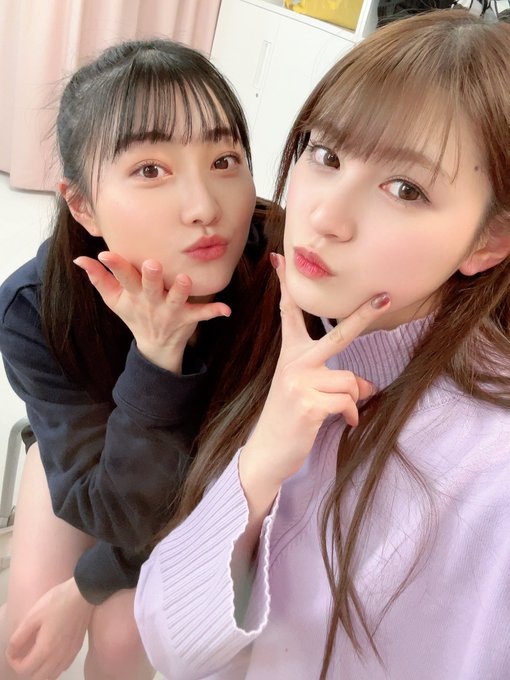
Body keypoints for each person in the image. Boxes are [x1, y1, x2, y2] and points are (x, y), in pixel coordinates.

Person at [134, 10, 510, 680]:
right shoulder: (296, 332)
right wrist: (260, 464)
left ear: (488, 241)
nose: (324, 216)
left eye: (405, 189)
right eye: (326, 154)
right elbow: (171, 646)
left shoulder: (491, 474)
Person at [0, 38, 270, 680]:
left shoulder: (276, 273)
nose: (205, 208)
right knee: (22, 640)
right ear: (83, 206)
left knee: (123, 637)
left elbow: (222, 480)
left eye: (224, 159)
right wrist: (157, 355)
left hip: (224, 481)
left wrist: (87, 586)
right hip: (99, 459)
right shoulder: (36, 308)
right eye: (151, 169)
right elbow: (106, 506)